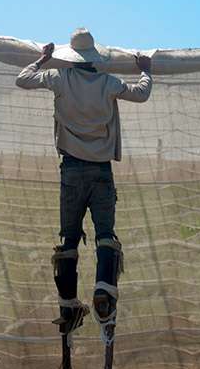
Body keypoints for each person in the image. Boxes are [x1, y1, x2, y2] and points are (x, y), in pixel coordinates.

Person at [16, 28, 153, 345]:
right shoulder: (107, 83)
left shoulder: (58, 78)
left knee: (69, 239)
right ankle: (104, 289)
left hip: (71, 170)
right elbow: (141, 93)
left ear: (69, 58)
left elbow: (22, 80)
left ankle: (68, 306)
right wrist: (146, 70)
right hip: (101, 171)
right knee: (106, 235)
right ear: (94, 58)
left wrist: (41, 59)